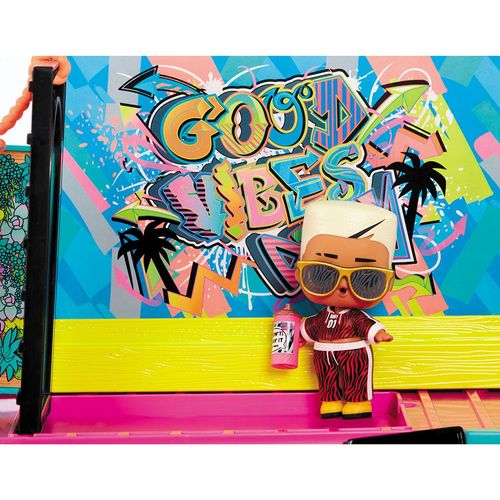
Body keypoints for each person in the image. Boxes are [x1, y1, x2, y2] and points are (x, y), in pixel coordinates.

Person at [296, 200, 397, 419]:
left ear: (388, 284)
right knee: (327, 379)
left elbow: (366, 325)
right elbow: (311, 327)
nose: (343, 286)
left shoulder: (355, 316)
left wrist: (380, 334)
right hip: (323, 353)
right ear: (299, 273)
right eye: (323, 274)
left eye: (366, 279)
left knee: (356, 378)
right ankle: (330, 401)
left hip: (354, 352)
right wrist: (297, 332)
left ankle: (358, 402)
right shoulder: (323, 316)